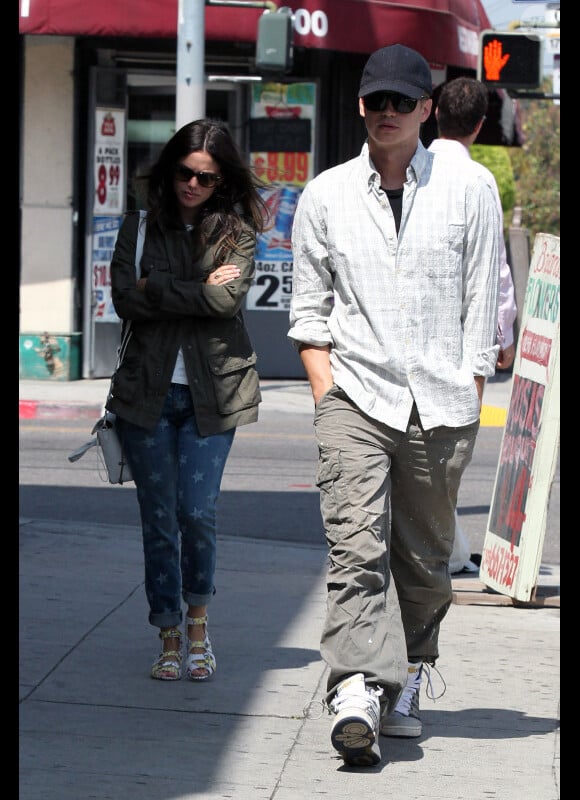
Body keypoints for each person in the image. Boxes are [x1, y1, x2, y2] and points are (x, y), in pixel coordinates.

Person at [288, 44, 502, 767]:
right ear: (360, 105)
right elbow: (308, 312)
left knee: (424, 560)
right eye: (375, 101)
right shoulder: (325, 196)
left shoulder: (469, 192)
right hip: (355, 394)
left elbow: (483, 301)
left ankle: (406, 675)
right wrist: (325, 394)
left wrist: (470, 390)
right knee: (355, 548)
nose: (386, 114)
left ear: (426, 109)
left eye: (400, 103)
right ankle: (354, 689)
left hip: (441, 403)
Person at [107, 119, 267, 683]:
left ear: (221, 180)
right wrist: (187, 293)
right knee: (158, 519)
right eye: (185, 173)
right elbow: (127, 299)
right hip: (146, 393)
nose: (193, 185)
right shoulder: (141, 225)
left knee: (196, 513)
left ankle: (199, 624)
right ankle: (168, 632)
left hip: (214, 393)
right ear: (171, 167)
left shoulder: (237, 232)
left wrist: (162, 288)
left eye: (206, 177)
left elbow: (225, 303)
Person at [428, 76, 518, 575]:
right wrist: (503, 333)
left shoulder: (409, 167)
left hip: (417, 326)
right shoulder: (478, 180)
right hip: (463, 334)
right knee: (452, 446)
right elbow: (494, 264)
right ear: (480, 126)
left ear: (433, 112)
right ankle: (444, 548)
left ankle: (448, 547)